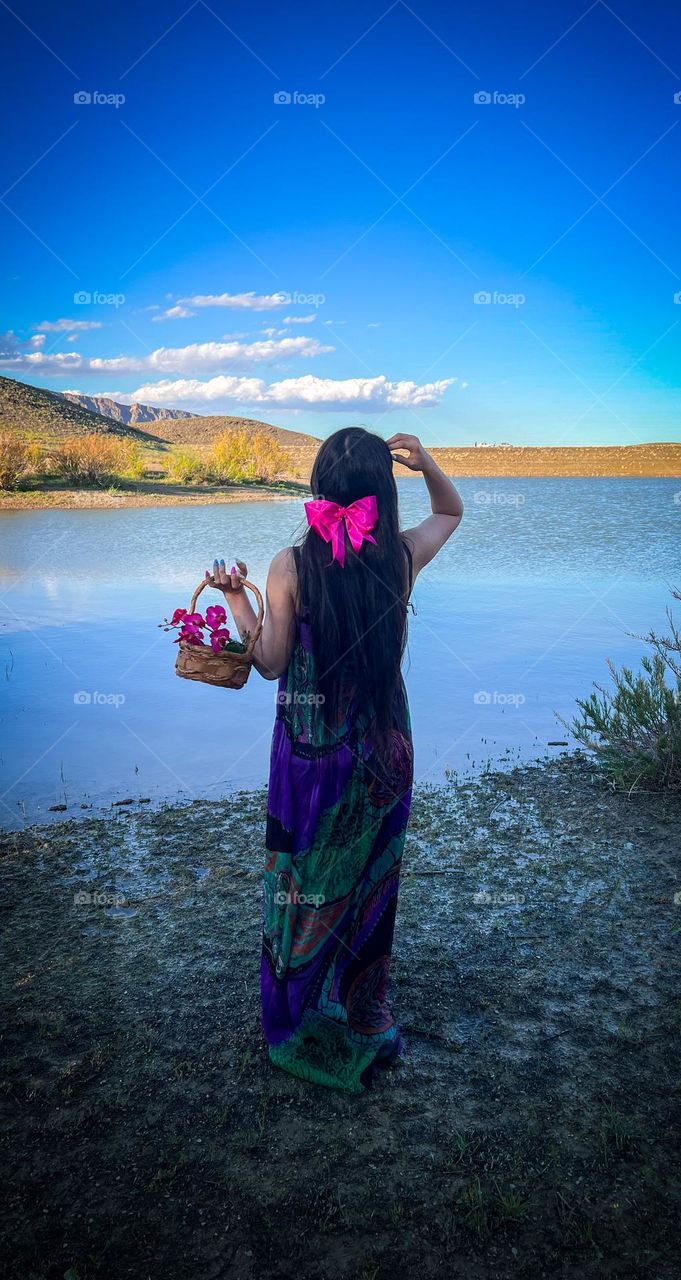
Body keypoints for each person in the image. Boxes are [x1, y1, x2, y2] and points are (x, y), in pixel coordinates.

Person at [205, 429, 463, 1092]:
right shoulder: (400, 557)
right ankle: (365, 1014)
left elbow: (268, 664)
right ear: (384, 492)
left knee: (304, 885)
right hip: (386, 754)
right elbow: (452, 511)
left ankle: (300, 1012)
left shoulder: (290, 566)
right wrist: (427, 458)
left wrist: (236, 599)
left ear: (319, 488)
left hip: (312, 761)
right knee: (371, 887)